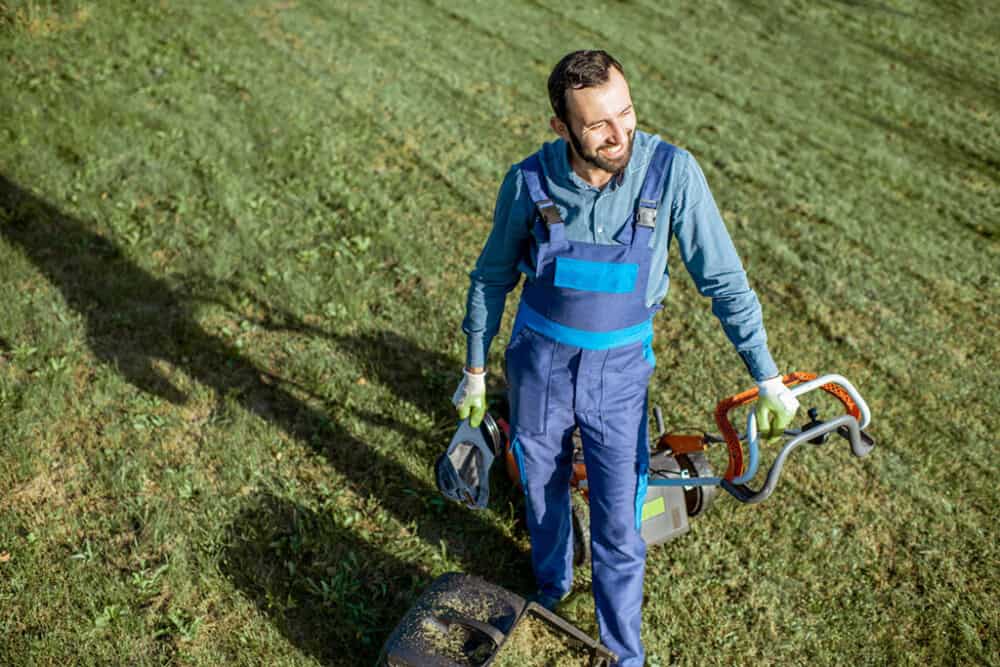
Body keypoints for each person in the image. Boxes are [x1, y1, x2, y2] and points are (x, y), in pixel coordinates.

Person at [451, 50, 800, 667]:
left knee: (620, 514)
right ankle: (552, 590)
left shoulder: (672, 174)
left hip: (618, 374)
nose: (621, 136)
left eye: (627, 113)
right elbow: (490, 278)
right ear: (561, 128)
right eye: (599, 126)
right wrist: (475, 371)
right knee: (541, 485)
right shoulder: (528, 182)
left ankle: (623, 652)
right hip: (540, 364)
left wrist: (767, 376)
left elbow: (724, 281)